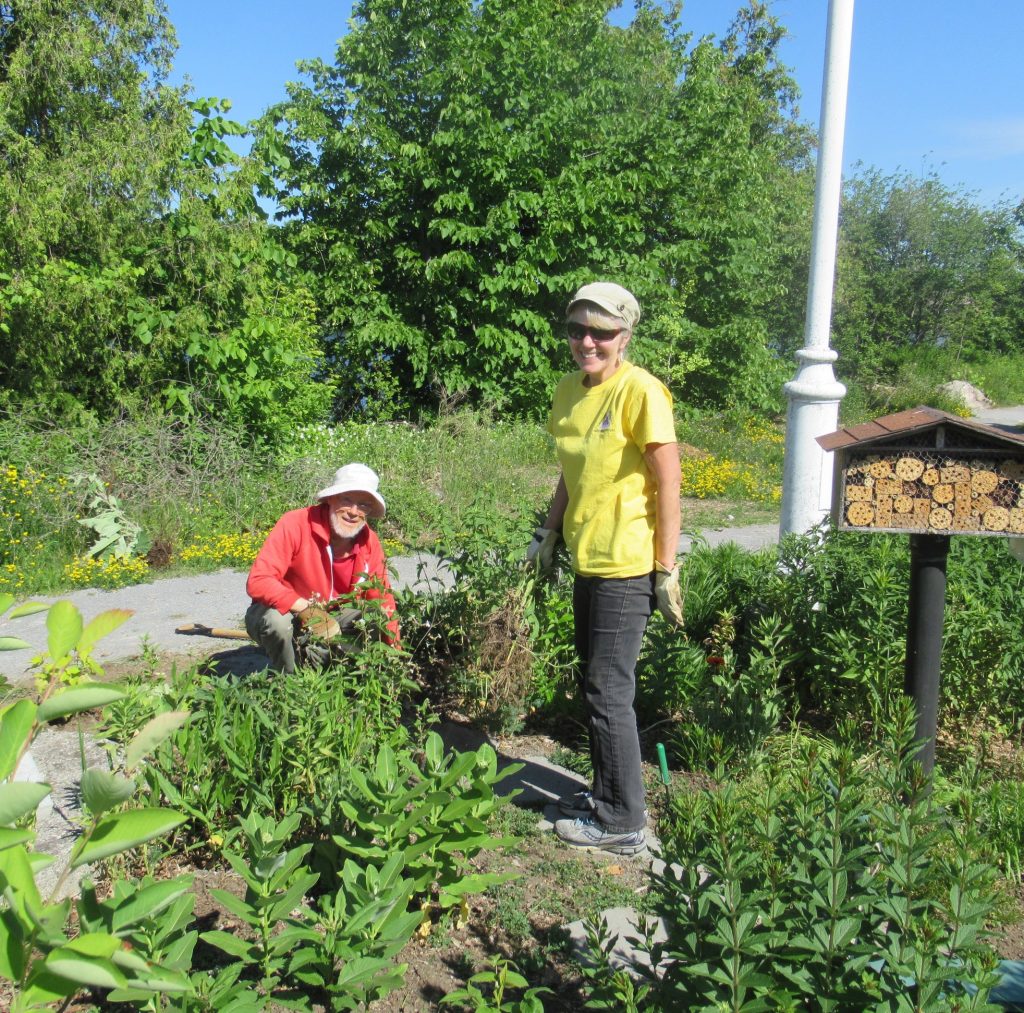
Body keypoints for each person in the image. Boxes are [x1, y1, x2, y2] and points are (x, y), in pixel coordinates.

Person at [528, 281, 684, 856]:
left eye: (601, 332)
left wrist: (665, 567)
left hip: (627, 562)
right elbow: (573, 472)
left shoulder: (641, 391)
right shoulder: (569, 390)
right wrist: (549, 531)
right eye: (577, 330)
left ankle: (622, 823)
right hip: (586, 555)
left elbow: (669, 481)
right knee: (594, 683)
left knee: (607, 689)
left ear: (625, 335)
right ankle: (603, 795)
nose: (587, 342)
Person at [245, 462, 399, 673]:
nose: (353, 512)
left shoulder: (369, 542)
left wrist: (395, 654)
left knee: (375, 615)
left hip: (333, 620)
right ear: (331, 499)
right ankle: (290, 683)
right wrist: (306, 609)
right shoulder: (296, 524)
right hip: (286, 612)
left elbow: (382, 600)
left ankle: (345, 678)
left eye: (363, 505)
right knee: (277, 623)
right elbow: (259, 581)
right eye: (347, 499)